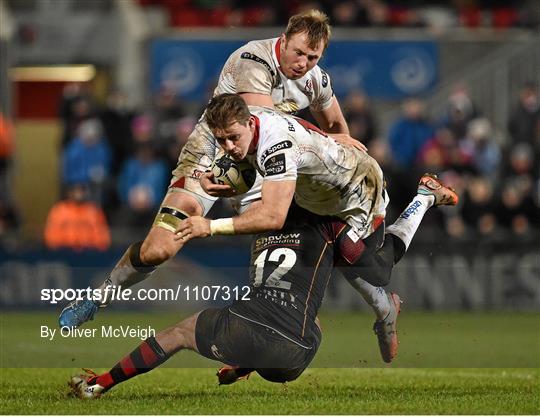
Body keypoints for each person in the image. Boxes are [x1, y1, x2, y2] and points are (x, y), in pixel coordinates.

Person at [59, 9, 397, 363]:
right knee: (159, 249)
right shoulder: (254, 60)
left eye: (314, 57)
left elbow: (335, 125)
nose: (304, 63)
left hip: (262, 163)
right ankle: (97, 299)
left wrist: (342, 138)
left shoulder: (316, 80)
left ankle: (379, 308)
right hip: (214, 154)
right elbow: (259, 127)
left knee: (329, 236)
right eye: (298, 52)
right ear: (283, 40)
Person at [176, 94, 458, 294]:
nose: (228, 146)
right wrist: (212, 177)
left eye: (233, 138)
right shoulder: (251, 118)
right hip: (314, 194)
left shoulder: (277, 146)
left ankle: (423, 198)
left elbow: (273, 215)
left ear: (250, 124)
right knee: (296, 256)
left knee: (377, 272)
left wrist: (210, 226)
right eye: (221, 139)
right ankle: (268, 334)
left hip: (356, 189)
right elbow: (291, 121)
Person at [69, 207, 338, 399]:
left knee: (178, 334)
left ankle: (100, 384)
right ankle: (246, 366)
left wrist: (211, 223)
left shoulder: (259, 220)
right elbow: (354, 251)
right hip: (292, 360)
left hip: (242, 330)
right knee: (310, 321)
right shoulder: (323, 224)